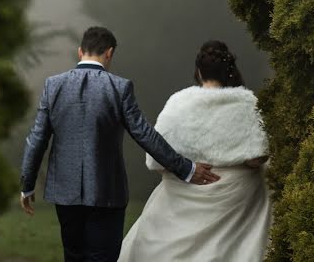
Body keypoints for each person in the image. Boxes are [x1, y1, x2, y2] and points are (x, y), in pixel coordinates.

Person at [19, 26, 221, 262]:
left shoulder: (53, 86)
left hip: (65, 192)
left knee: (74, 256)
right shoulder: (119, 87)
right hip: (107, 192)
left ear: (80, 51)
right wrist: (186, 168)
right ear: (109, 53)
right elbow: (145, 134)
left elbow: (37, 139)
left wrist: (28, 184)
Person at [118, 40, 271, 262]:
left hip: (184, 193)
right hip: (235, 204)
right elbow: (257, 158)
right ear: (229, 72)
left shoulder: (178, 103)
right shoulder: (246, 102)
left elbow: (155, 160)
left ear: (199, 72)